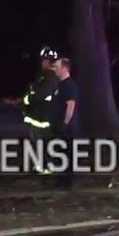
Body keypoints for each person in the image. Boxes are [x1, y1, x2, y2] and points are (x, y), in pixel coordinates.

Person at [49, 57, 80, 191]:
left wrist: (65, 123)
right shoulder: (60, 85)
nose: (55, 69)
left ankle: (67, 183)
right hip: (59, 127)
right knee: (59, 154)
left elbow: (70, 104)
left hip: (67, 129)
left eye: (57, 66)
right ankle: (61, 180)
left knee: (67, 154)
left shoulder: (69, 85)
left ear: (65, 68)